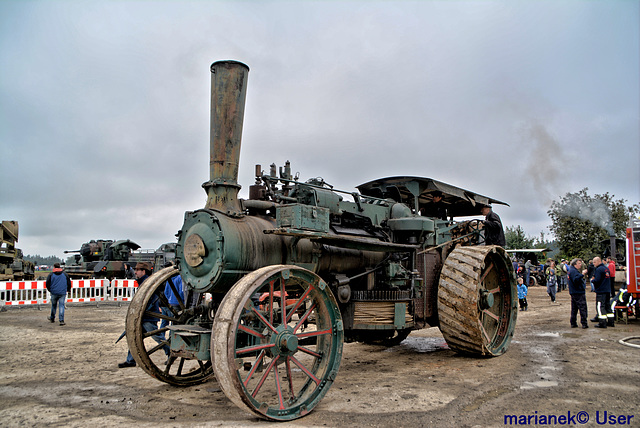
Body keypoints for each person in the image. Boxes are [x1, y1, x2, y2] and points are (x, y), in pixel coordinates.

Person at [119, 262, 169, 368]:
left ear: (143, 271)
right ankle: (131, 360)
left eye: (138, 270)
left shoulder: (147, 283)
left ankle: (170, 352)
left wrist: (141, 313)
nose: (135, 272)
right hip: (142, 316)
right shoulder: (143, 282)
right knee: (133, 337)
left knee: (157, 337)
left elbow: (149, 301)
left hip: (148, 317)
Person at [590, 257, 613, 328]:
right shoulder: (606, 268)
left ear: (598, 261)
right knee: (608, 305)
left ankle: (602, 323)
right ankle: (611, 321)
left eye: (594, 262)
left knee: (600, 306)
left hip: (601, 290)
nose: (593, 264)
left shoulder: (599, 269)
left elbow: (597, 280)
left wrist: (592, 280)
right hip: (607, 290)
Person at [567, 258, 588, 329]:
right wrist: (582, 274)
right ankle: (584, 323)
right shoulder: (573, 271)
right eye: (579, 263)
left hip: (574, 291)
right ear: (574, 264)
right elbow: (575, 280)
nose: (580, 265)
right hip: (578, 292)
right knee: (582, 308)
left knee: (574, 308)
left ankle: (573, 322)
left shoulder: (572, 270)